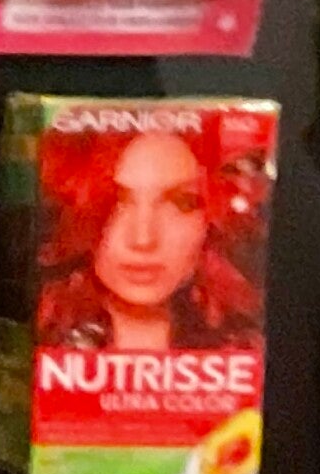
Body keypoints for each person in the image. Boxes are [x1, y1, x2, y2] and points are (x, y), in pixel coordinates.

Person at [36, 125, 262, 353]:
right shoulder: (35, 346)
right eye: (116, 201)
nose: (143, 239)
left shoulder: (248, 352)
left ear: (213, 221)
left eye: (182, 202)